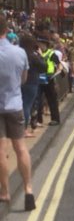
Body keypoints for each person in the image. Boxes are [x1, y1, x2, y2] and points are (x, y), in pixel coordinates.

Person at [0, 16, 36, 210]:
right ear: (6, 30)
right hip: (15, 105)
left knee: (1, 151)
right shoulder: (19, 52)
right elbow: (23, 79)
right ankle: (28, 190)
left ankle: (5, 191)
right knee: (21, 148)